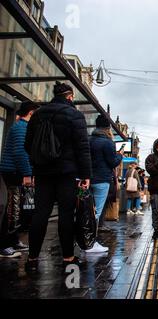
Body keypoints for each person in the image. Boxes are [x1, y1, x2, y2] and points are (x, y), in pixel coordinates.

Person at [24, 81, 92, 271]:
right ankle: (68, 258)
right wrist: (86, 174)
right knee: (66, 214)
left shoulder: (37, 115)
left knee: (40, 213)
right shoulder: (75, 115)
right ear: (70, 96)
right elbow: (82, 148)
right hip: (66, 173)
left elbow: (28, 145)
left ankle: (32, 258)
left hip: (43, 172)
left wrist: (37, 165)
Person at [0, 102, 39, 258]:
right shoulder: (21, 128)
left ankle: (13, 240)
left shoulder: (21, 127)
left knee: (15, 208)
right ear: (30, 113)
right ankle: (4, 244)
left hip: (15, 172)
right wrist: (27, 174)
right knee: (11, 209)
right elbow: (20, 153)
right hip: (13, 173)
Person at [86, 114, 123, 253]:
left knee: (86, 209)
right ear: (108, 127)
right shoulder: (107, 142)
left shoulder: (89, 140)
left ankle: (83, 240)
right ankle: (90, 243)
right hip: (102, 180)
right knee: (96, 212)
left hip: (88, 179)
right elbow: (112, 161)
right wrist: (119, 155)